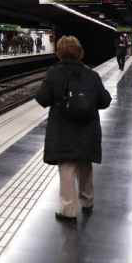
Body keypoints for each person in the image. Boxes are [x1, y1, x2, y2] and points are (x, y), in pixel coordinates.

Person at [35, 36, 111, 222]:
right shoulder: (91, 74)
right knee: (85, 164)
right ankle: (87, 201)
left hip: (63, 129)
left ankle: (68, 209)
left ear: (59, 52)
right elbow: (105, 100)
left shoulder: (54, 73)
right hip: (87, 128)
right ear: (79, 52)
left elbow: (42, 99)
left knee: (67, 167)